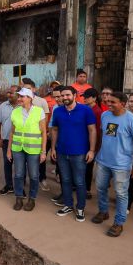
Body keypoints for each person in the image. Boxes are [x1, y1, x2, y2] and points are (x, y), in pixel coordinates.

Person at [92, 91, 133, 237]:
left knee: (121, 194)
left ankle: (119, 223)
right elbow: (105, 136)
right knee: (101, 188)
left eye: (112, 102)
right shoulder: (105, 115)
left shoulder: (132, 120)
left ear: (123, 104)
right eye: (108, 101)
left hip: (122, 165)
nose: (108, 104)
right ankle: (103, 212)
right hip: (103, 161)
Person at [50, 86, 97, 222]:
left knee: (79, 181)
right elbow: (54, 130)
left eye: (67, 95)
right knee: (65, 180)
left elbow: (92, 130)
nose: (65, 98)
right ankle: (68, 204)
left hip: (80, 153)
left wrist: (92, 150)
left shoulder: (86, 110)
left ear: (75, 95)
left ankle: (80, 207)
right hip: (62, 152)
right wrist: (53, 148)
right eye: (62, 95)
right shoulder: (58, 111)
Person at [7, 88, 47, 211]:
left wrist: (43, 151)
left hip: (33, 150)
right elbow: (12, 133)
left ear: (30, 98)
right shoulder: (15, 111)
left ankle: (32, 199)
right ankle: (19, 197)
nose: (19, 99)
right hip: (18, 148)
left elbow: (44, 132)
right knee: (18, 174)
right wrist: (9, 150)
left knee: (34, 176)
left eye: (22, 97)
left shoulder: (39, 111)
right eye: (18, 96)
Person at [0, 85, 19, 195]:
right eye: (8, 92)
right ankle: (9, 185)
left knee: (20, 165)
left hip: (20, 141)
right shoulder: (3, 105)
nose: (8, 94)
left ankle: (19, 187)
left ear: (18, 94)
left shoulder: (24, 106)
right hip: (5, 140)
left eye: (11, 93)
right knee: (7, 164)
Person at [82, 87, 103, 198]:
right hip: (83, 142)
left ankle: (87, 189)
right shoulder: (85, 109)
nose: (85, 99)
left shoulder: (98, 111)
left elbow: (98, 131)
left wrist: (95, 148)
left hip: (92, 144)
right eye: (84, 97)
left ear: (94, 98)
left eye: (87, 97)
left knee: (88, 167)